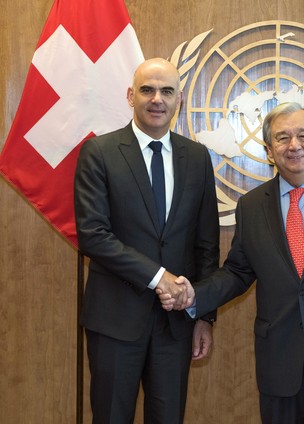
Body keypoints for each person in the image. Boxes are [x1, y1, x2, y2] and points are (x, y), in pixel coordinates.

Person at [161, 102, 304, 423]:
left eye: (303, 135)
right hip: (280, 361)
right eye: (282, 138)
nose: (294, 145)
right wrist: (194, 296)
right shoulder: (252, 206)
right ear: (270, 150)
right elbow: (237, 273)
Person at [74, 58, 219, 423]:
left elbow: (206, 242)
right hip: (115, 322)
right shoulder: (100, 153)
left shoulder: (198, 158)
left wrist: (204, 315)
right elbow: (94, 236)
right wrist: (159, 277)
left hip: (176, 326)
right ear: (130, 96)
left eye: (167, 91)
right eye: (147, 90)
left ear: (179, 100)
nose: (157, 99)